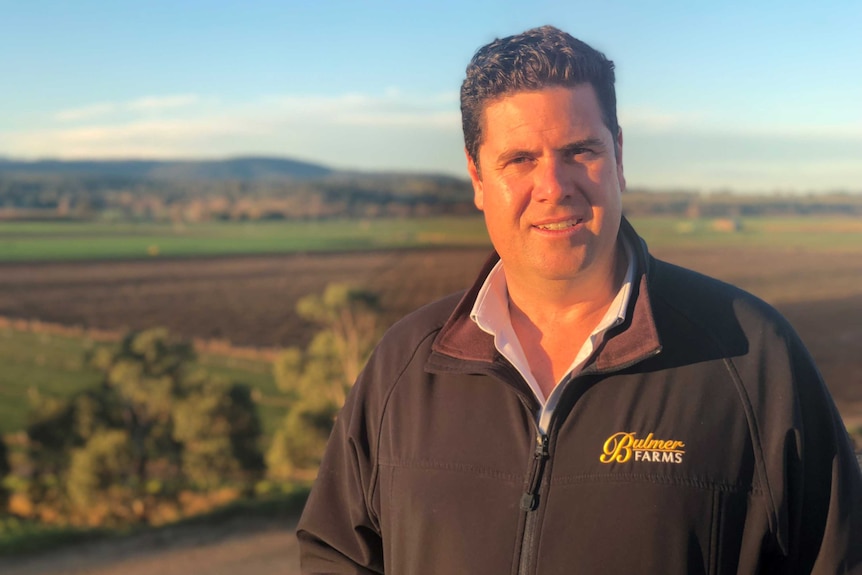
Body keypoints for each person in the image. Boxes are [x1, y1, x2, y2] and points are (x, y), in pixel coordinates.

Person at [297, 25, 862, 574]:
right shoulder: (404, 364)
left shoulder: (752, 357)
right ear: (476, 176)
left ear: (617, 155)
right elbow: (337, 552)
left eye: (579, 151)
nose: (554, 186)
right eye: (520, 160)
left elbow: (837, 556)